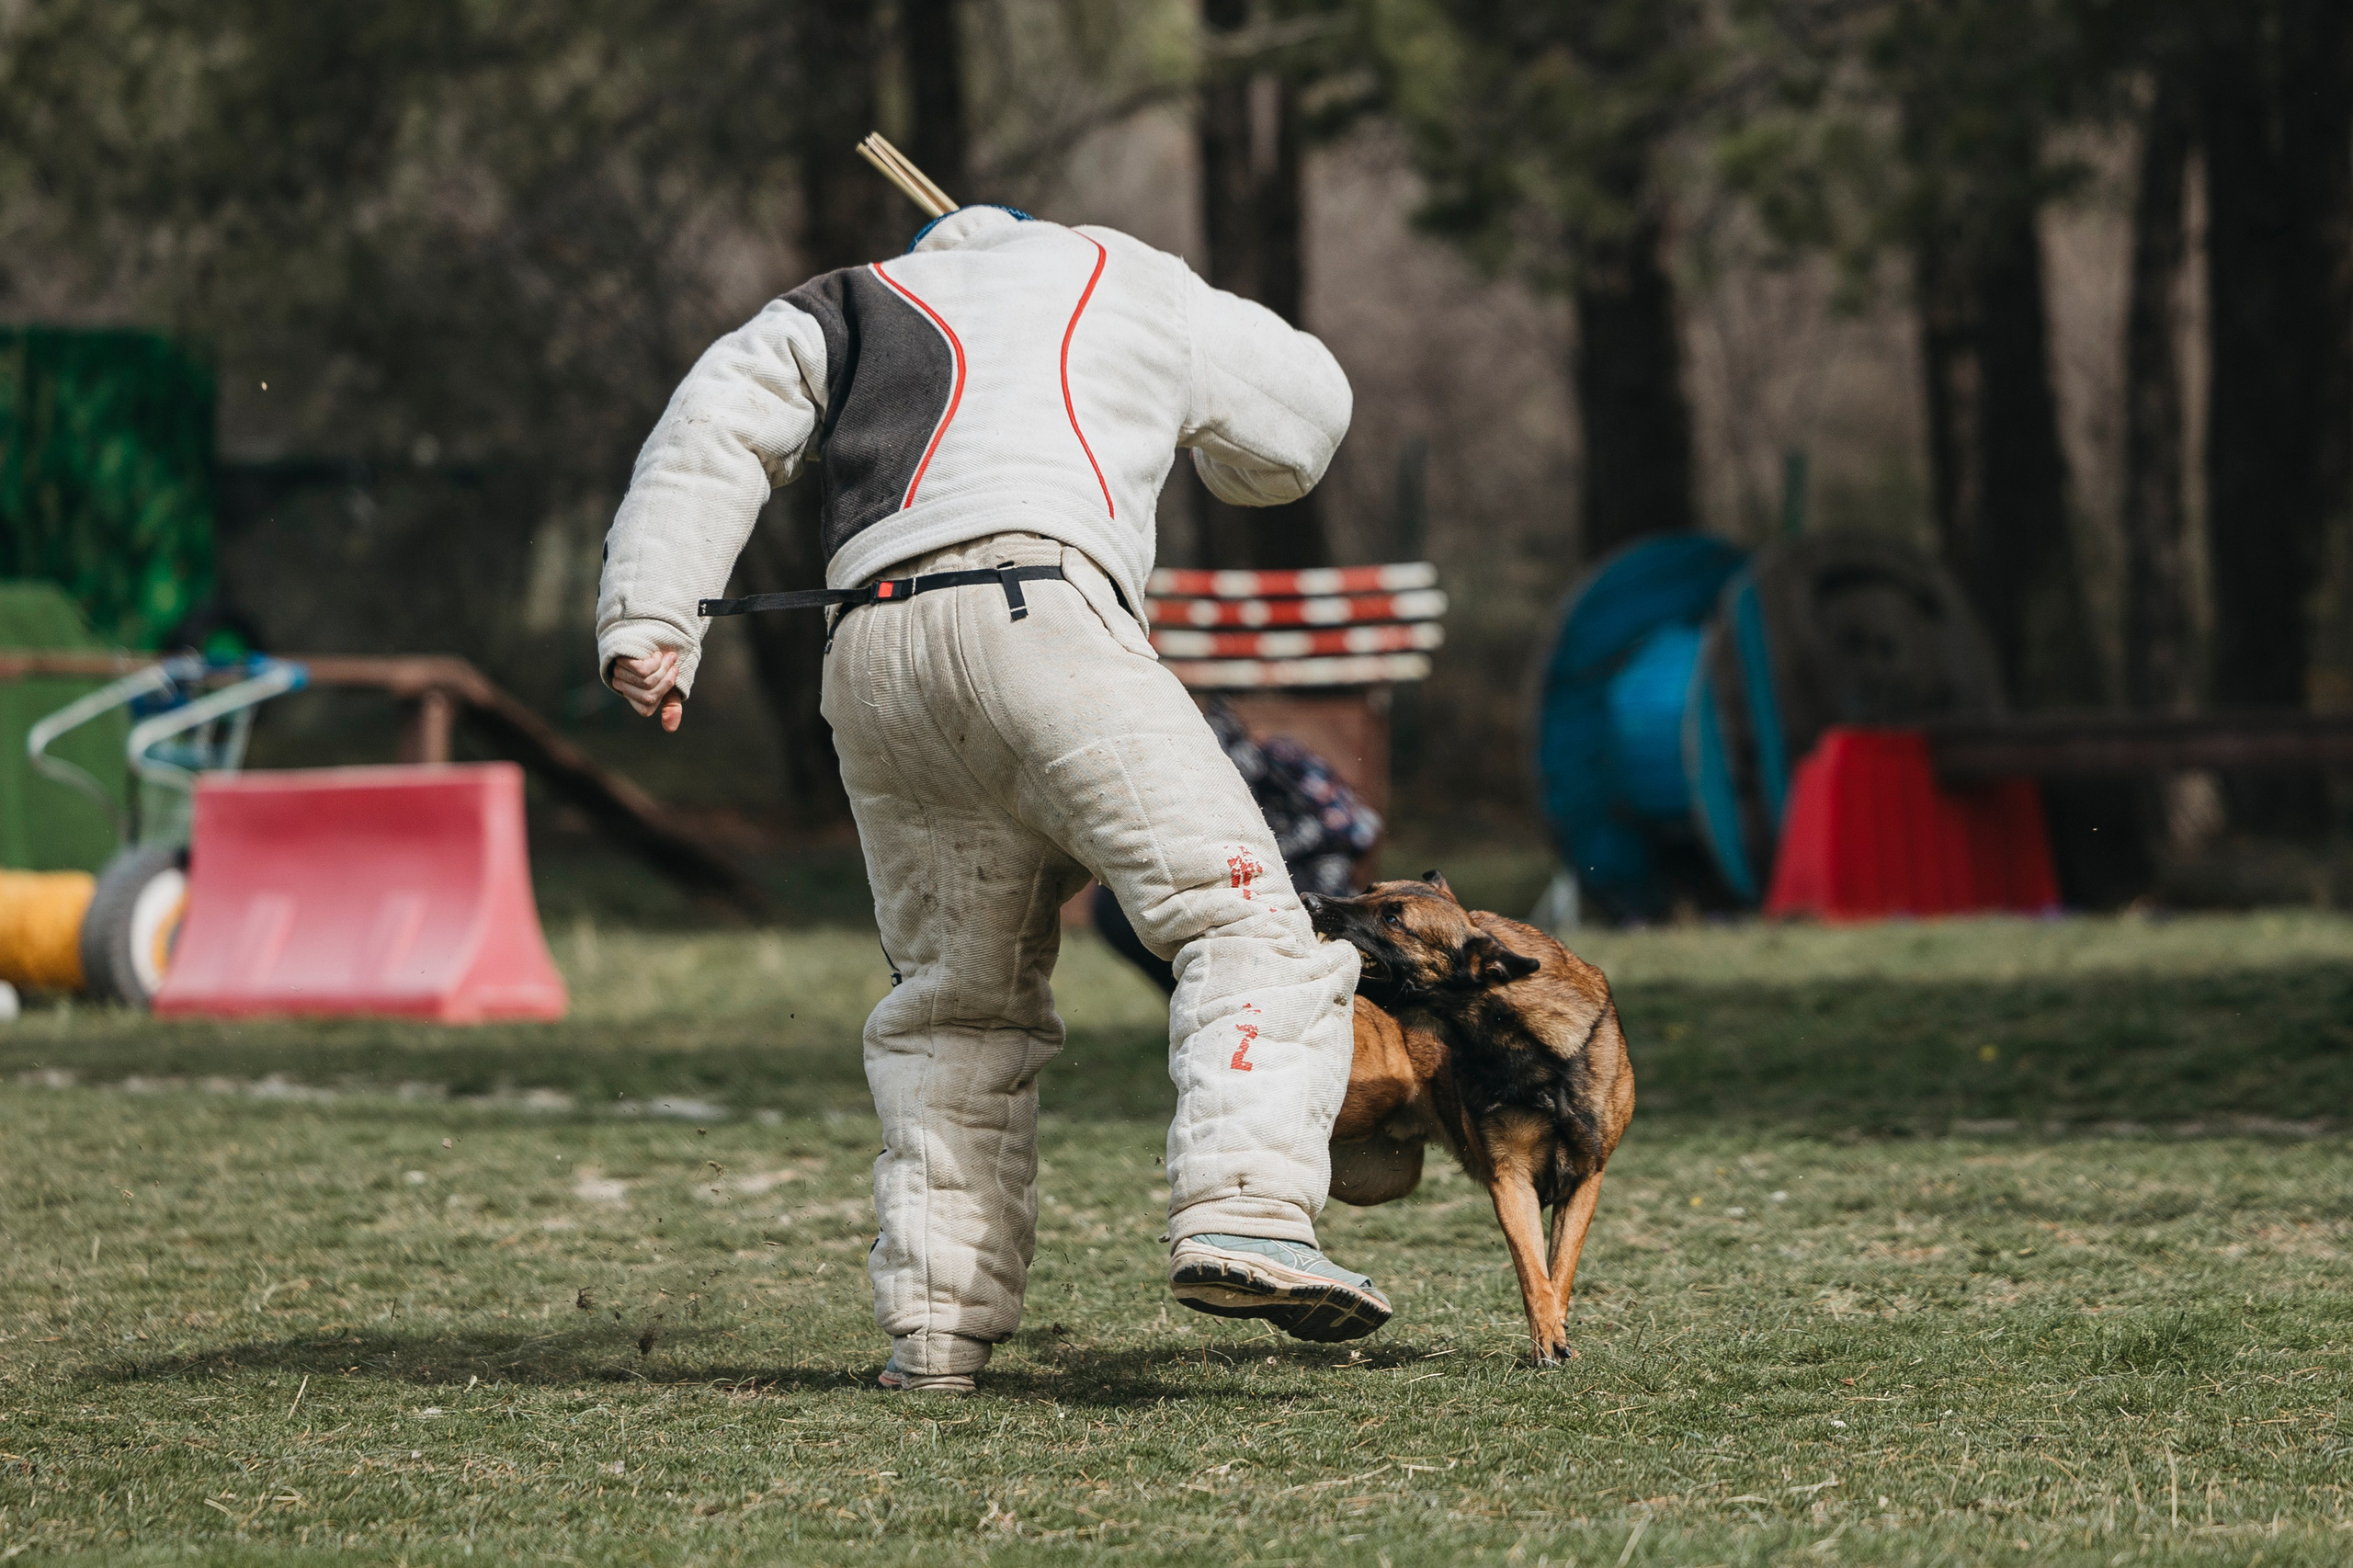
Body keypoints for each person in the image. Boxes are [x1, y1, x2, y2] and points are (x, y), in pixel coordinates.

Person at [595, 201, 1385, 1395]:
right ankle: (1247, 1208)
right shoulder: (1124, 271)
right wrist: (1197, 428)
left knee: (954, 1006)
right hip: (1044, 617)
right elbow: (1305, 421)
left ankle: (935, 1330)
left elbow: (714, 421)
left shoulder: (849, 302)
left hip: (869, 658)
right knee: (1243, 923)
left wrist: (650, 619)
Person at [1092, 699, 1381, 994]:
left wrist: (1268, 849)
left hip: (1311, 886)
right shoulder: (1187, 786)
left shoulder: (1277, 759)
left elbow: (1355, 828)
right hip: (1247, 879)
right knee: (1114, 905)